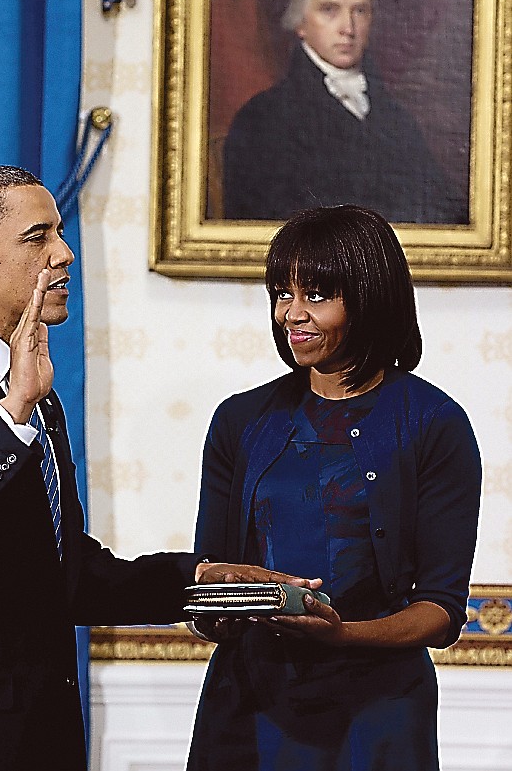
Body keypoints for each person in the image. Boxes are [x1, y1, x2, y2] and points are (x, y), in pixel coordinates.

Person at [0, 165, 271, 771]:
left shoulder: (39, 394)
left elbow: (64, 576)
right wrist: (12, 412)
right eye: (37, 238)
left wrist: (203, 582)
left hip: (36, 739)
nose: (64, 254)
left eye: (59, 235)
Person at [186, 205, 481, 770]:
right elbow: (210, 575)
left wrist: (342, 635)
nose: (291, 315)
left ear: (369, 297)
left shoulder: (433, 423)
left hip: (377, 714)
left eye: (316, 295)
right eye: (282, 293)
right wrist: (214, 606)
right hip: (249, 707)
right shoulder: (240, 420)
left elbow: (442, 611)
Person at [223, 0, 465, 223]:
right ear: (300, 23)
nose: (348, 28)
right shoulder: (262, 117)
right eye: (329, 10)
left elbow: (439, 203)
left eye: (359, 11)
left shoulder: (395, 117)